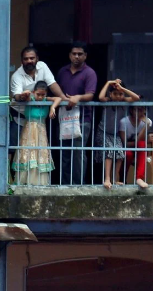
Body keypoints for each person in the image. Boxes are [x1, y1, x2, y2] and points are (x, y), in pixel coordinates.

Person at [10, 45, 66, 155]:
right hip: (19, 117)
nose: (29, 61)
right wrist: (23, 96)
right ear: (22, 61)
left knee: (37, 151)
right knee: (16, 150)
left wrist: (65, 99)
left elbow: (52, 84)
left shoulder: (43, 67)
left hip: (37, 119)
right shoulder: (17, 76)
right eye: (26, 59)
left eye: (32, 58)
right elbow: (16, 96)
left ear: (37, 59)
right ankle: (11, 173)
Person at [55, 42, 97, 185]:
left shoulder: (89, 73)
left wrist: (78, 97)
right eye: (74, 54)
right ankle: (65, 185)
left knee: (78, 153)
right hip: (64, 118)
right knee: (65, 153)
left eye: (80, 54)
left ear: (85, 56)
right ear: (69, 55)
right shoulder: (62, 71)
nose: (77, 57)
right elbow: (57, 91)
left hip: (82, 119)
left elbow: (90, 95)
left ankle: (78, 185)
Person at [94, 80, 140, 189]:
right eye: (115, 93)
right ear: (110, 94)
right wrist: (108, 83)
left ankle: (115, 179)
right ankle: (107, 179)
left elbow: (136, 98)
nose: (118, 96)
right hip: (103, 132)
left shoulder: (123, 102)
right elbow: (100, 97)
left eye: (120, 94)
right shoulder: (107, 101)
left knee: (120, 153)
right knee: (109, 151)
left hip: (115, 134)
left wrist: (122, 89)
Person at [13, 80, 61, 185]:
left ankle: (38, 182)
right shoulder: (31, 99)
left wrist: (52, 107)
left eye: (43, 95)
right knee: (28, 153)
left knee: (40, 153)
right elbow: (25, 94)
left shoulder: (45, 100)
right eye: (38, 94)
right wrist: (28, 93)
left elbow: (58, 98)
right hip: (29, 130)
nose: (40, 97)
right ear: (34, 92)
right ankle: (25, 181)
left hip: (41, 131)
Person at [120, 106, 151, 188]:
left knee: (142, 144)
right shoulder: (124, 122)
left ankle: (139, 178)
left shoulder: (147, 122)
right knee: (128, 154)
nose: (139, 112)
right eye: (137, 110)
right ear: (131, 110)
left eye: (142, 110)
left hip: (137, 148)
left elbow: (140, 141)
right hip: (124, 148)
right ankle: (122, 179)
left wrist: (146, 126)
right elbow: (125, 143)